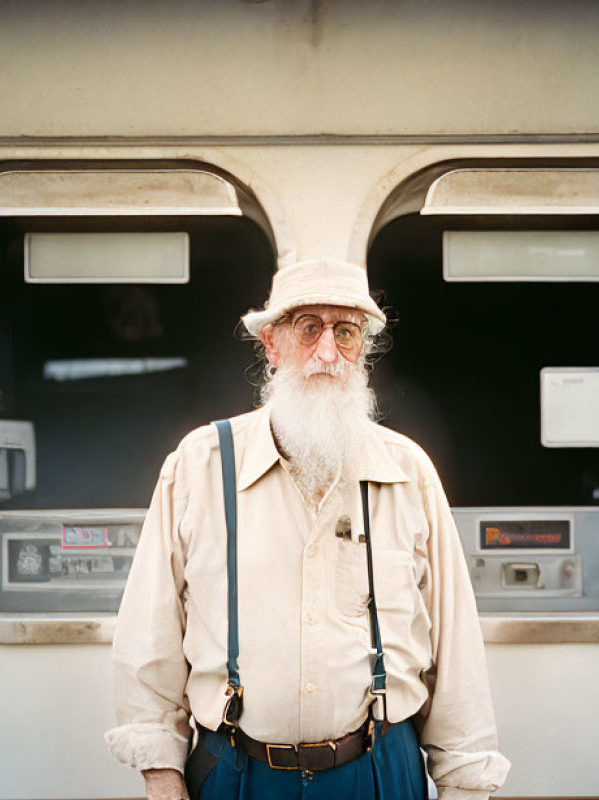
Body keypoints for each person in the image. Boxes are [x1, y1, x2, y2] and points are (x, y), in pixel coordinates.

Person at [105, 257, 511, 800]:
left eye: (345, 332)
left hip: (378, 773)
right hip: (237, 774)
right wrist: (161, 773)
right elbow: (148, 635)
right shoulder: (199, 466)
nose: (327, 353)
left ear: (362, 352)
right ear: (272, 345)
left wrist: (466, 784)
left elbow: (456, 647)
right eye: (309, 329)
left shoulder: (406, 471)